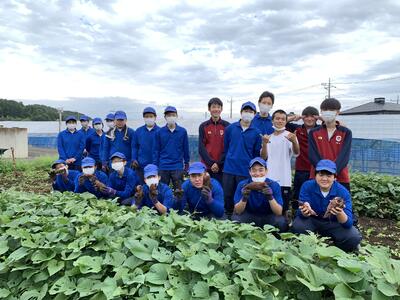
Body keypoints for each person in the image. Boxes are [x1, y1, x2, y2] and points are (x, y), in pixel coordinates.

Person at [292, 159, 362, 252]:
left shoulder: (342, 192)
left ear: (335, 177)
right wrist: (305, 211)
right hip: (312, 220)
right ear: (315, 176)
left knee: (353, 237)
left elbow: (348, 223)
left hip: (334, 223)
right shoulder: (307, 186)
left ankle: (338, 249)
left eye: (329, 175)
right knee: (298, 226)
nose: (324, 179)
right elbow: (301, 213)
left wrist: (339, 213)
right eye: (321, 175)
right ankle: (307, 247)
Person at [223, 101, 263, 215]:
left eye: (251, 112)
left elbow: (256, 154)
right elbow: (226, 147)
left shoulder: (256, 132)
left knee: (242, 194)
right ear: (241, 113)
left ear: (254, 114)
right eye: (246, 111)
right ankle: (227, 216)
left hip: (244, 170)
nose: (248, 114)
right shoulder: (230, 128)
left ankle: (239, 217)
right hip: (229, 168)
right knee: (227, 195)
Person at [232, 157, 288, 231]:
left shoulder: (274, 185)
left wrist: (270, 197)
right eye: (254, 170)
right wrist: (244, 198)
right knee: (236, 219)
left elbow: (278, 212)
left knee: (281, 222)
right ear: (250, 172)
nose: (257, 174)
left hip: (268, 216)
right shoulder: (243, 185)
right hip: (250, 215)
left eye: (261, 170)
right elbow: (238, 211)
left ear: (266, 171)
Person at [261, 109, 300, 214]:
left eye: (283, 119)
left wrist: (294, 142)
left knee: (283, 210)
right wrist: (264, 144)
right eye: (277, 118)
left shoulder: (290, 136)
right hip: (269, 179)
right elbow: (263, 157)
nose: (280, 121)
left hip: (284, 180)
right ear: (272, 120)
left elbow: (296, 153)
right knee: (268, 209)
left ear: (286, 121)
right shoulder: (268, 137)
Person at [309, 98, 352, 191]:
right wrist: (323, 173)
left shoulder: (346, 132)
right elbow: (313, 155)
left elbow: (344, 156)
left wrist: (333, 173)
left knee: (339, 205)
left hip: (340, 177)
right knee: (315, 205)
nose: (328, 112)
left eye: (331, 110)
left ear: (338, 112)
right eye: (325, 110)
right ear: (321, 111)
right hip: (317, 177)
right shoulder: (313, 132)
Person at [287, 106, 320, 209]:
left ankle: (313, 213)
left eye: (312, 117)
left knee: (315, 193)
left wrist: (322, 118)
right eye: (306, 116)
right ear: (303, 117)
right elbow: (282, 122)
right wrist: (295, 117)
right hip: (301, 168)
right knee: (298, 192)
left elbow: (338, 124)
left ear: (316, 118)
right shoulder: (297, 129)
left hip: (317, 169)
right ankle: (296, 213)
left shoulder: (321, 129)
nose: (309, 119)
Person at [153, 106, 190, 191]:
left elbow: (185, 148)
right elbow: (156, 150)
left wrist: (187, 163)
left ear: (176, 116)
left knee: (179, 191)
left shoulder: (182, 131)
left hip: (177, 166)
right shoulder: (159, 132)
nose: (171, 117)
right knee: (162, 190)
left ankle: (178, 204)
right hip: (163, 166)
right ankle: (163, 204)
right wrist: (155, 165)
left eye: (173, 115)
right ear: (165, 117)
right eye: (169, 115)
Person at [198, 97, 230, 184]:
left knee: (220, 191)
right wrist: (211, 163)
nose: (216, 109)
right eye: (213, 107)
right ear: (209, 109)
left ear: (221, 109)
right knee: (206, 191)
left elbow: (228, 147)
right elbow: (201, 148)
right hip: (207, 166)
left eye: (218, 107)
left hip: (222, 167)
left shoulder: (227, 126)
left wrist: (218, 163)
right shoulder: (203, 126)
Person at [134, 107, 160, 183]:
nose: (149, 118)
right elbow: (134, 147)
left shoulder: (160, 131)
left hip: (155, 165)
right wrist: (134, 159)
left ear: (155, 117)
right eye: (146, 116)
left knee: (154, 186)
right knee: (142, 186)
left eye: (151, 116)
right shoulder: (138, 131)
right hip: (141, 165)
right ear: (144, 118)